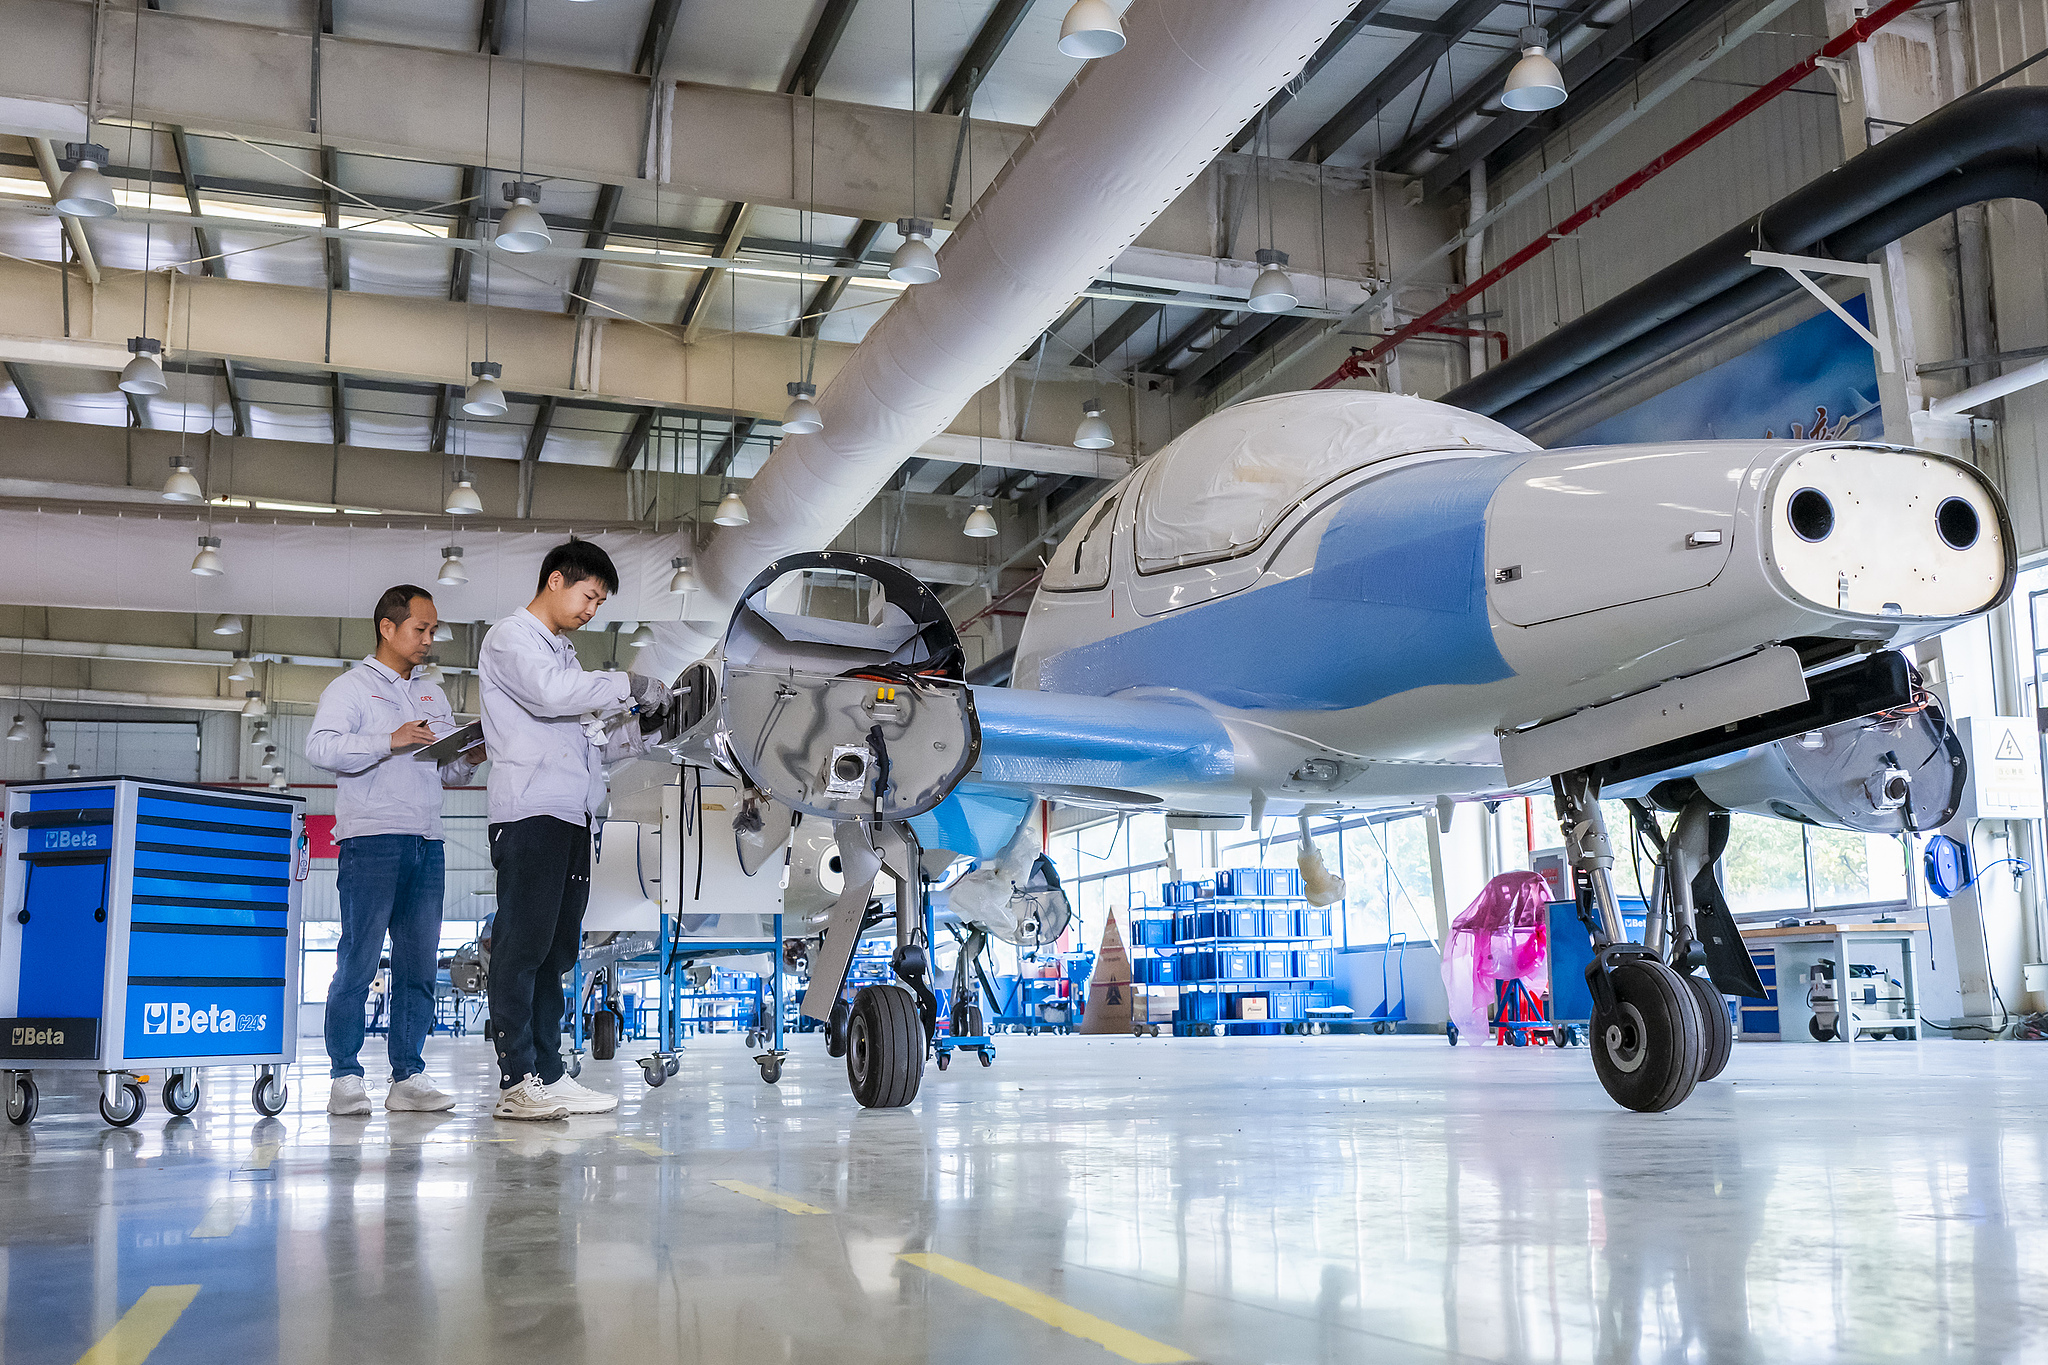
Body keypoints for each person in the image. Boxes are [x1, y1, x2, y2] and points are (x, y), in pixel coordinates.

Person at [478, 539, 667, 1121]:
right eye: (590, 596)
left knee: (557, 950)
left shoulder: (562, 653)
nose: (592, 610)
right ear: (556, 581)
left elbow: (587, 739)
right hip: (530, 811)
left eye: (601, 602)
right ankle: (517, 1080)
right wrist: (625, 683)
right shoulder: (510, 639)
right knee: (522, 947)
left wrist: (652, 730)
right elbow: (552, 697)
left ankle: (550, 1071)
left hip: (571, 814)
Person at [306, 584, 483, 1116]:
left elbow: (448, 770)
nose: (430, 640)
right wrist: (390, 739)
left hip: (427, 842)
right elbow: (321, 749)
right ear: (388, 627)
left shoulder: (433, 695)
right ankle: (345, 1076)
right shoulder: (351, 689)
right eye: (420, 629)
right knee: (358, 960)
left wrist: (470, 755)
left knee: (418, 965)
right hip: (371, 840)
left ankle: (408, 1074)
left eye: (433, 631)